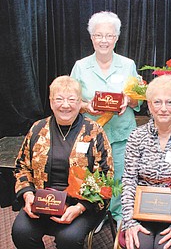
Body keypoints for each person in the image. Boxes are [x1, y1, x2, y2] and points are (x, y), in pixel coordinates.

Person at [11, 75, 113, 249]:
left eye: (71, 99)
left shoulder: (94, 132)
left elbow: (105, 175)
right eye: (59, 99)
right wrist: (28, 195)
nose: (65, 105)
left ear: (80, 102)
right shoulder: (37, 129)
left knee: (69, 239)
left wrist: (80, 207)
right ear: (51, 102)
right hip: (43, 201)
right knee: (21, 232)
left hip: (80, 204)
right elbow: (22, 167)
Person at [70, 11, 142, 225]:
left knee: (121, 178)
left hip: (122, 134)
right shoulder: (80, 66)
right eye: (98, 35)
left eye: (109, 36)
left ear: (116, 38)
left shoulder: (128, 64)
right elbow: (70, 101)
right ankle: (98, 214)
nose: (104, 40)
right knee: (93, 177)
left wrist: (127, 100)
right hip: (91, 137)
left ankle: (119, 216)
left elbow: (138, 102)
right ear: (91, 37)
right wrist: (86, 105)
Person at [121, 75, 171, 249]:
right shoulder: (137, 136)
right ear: (149, 105)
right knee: (138, 246)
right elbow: (128, 180)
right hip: (140, 211)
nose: (163, 109)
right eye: (157, 102)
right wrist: (130, 221)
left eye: (170, 103)